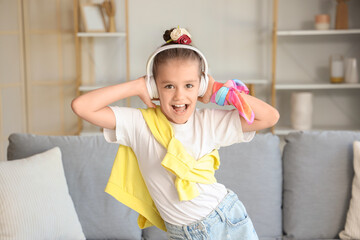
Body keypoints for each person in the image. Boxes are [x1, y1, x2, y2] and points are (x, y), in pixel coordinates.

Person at [71, 27, 279, 240]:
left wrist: (216, 88)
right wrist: (137, 85)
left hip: (223, 222)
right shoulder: (139, 124)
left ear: (200, 86)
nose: (179, 96)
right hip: (180, 233)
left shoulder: (208, 122)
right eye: (169, 86)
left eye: (189, 85)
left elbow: (269, 117)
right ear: (154, 88)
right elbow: (82, 106)